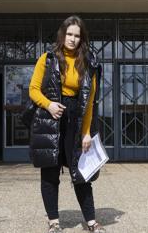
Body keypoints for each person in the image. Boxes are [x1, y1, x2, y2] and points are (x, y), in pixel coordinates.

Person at [28, 15, 105, 233]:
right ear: (62, 35)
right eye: (69, 34)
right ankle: (54, 222)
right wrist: (49, 105)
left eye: (77, 36)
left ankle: (91, 221)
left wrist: (86, 133)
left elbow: (90, 102)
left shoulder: (88, 63)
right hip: (50, 119)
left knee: (81, 174)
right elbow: (33, 89)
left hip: (76, 119)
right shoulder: (48, 59)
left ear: (82, 39)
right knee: (50, 173)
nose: (72, 39)